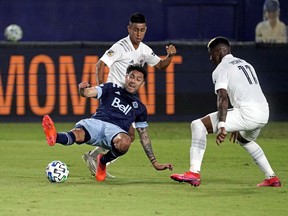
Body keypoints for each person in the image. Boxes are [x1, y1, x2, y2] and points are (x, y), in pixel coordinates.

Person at [170, 36, 281, 187]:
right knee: (245, 140)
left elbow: (222, 98)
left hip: (247, 113)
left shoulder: (222, 68)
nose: (210, 58)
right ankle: (272, 178)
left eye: (211, 54)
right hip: (263, 112)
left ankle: (193, 173)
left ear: (218, 52)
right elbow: (246, 91)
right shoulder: (245, 63)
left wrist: (223, 124)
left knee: (198, 125)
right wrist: (237, 122)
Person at [82, 12, 177, 178]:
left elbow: (161, 65)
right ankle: (97, 159)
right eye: (135, 30)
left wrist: (170, 56)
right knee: (125, 135)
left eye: (142, 30)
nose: (138, 34)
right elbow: (100, 65)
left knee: (129, 136)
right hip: (114, 97)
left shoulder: (144, 50)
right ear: (129, 29)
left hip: (128, 98)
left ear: (145, 30)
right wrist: (101, 88)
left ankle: (95, 157)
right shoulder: (120, 47)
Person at [42, 64, 173, 181]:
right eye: (131, 77)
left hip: (115, 132)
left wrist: (155, 162)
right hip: (96, 122)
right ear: (126, 77)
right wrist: (82, 89)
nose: (133, 81)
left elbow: (144, 137)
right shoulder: (110, 88)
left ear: (142, 84)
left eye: (138, 79)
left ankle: (102, 161)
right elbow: (88, 92)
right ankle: (54, 136)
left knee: (125, 141)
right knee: (78, 134)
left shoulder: (140, 107)